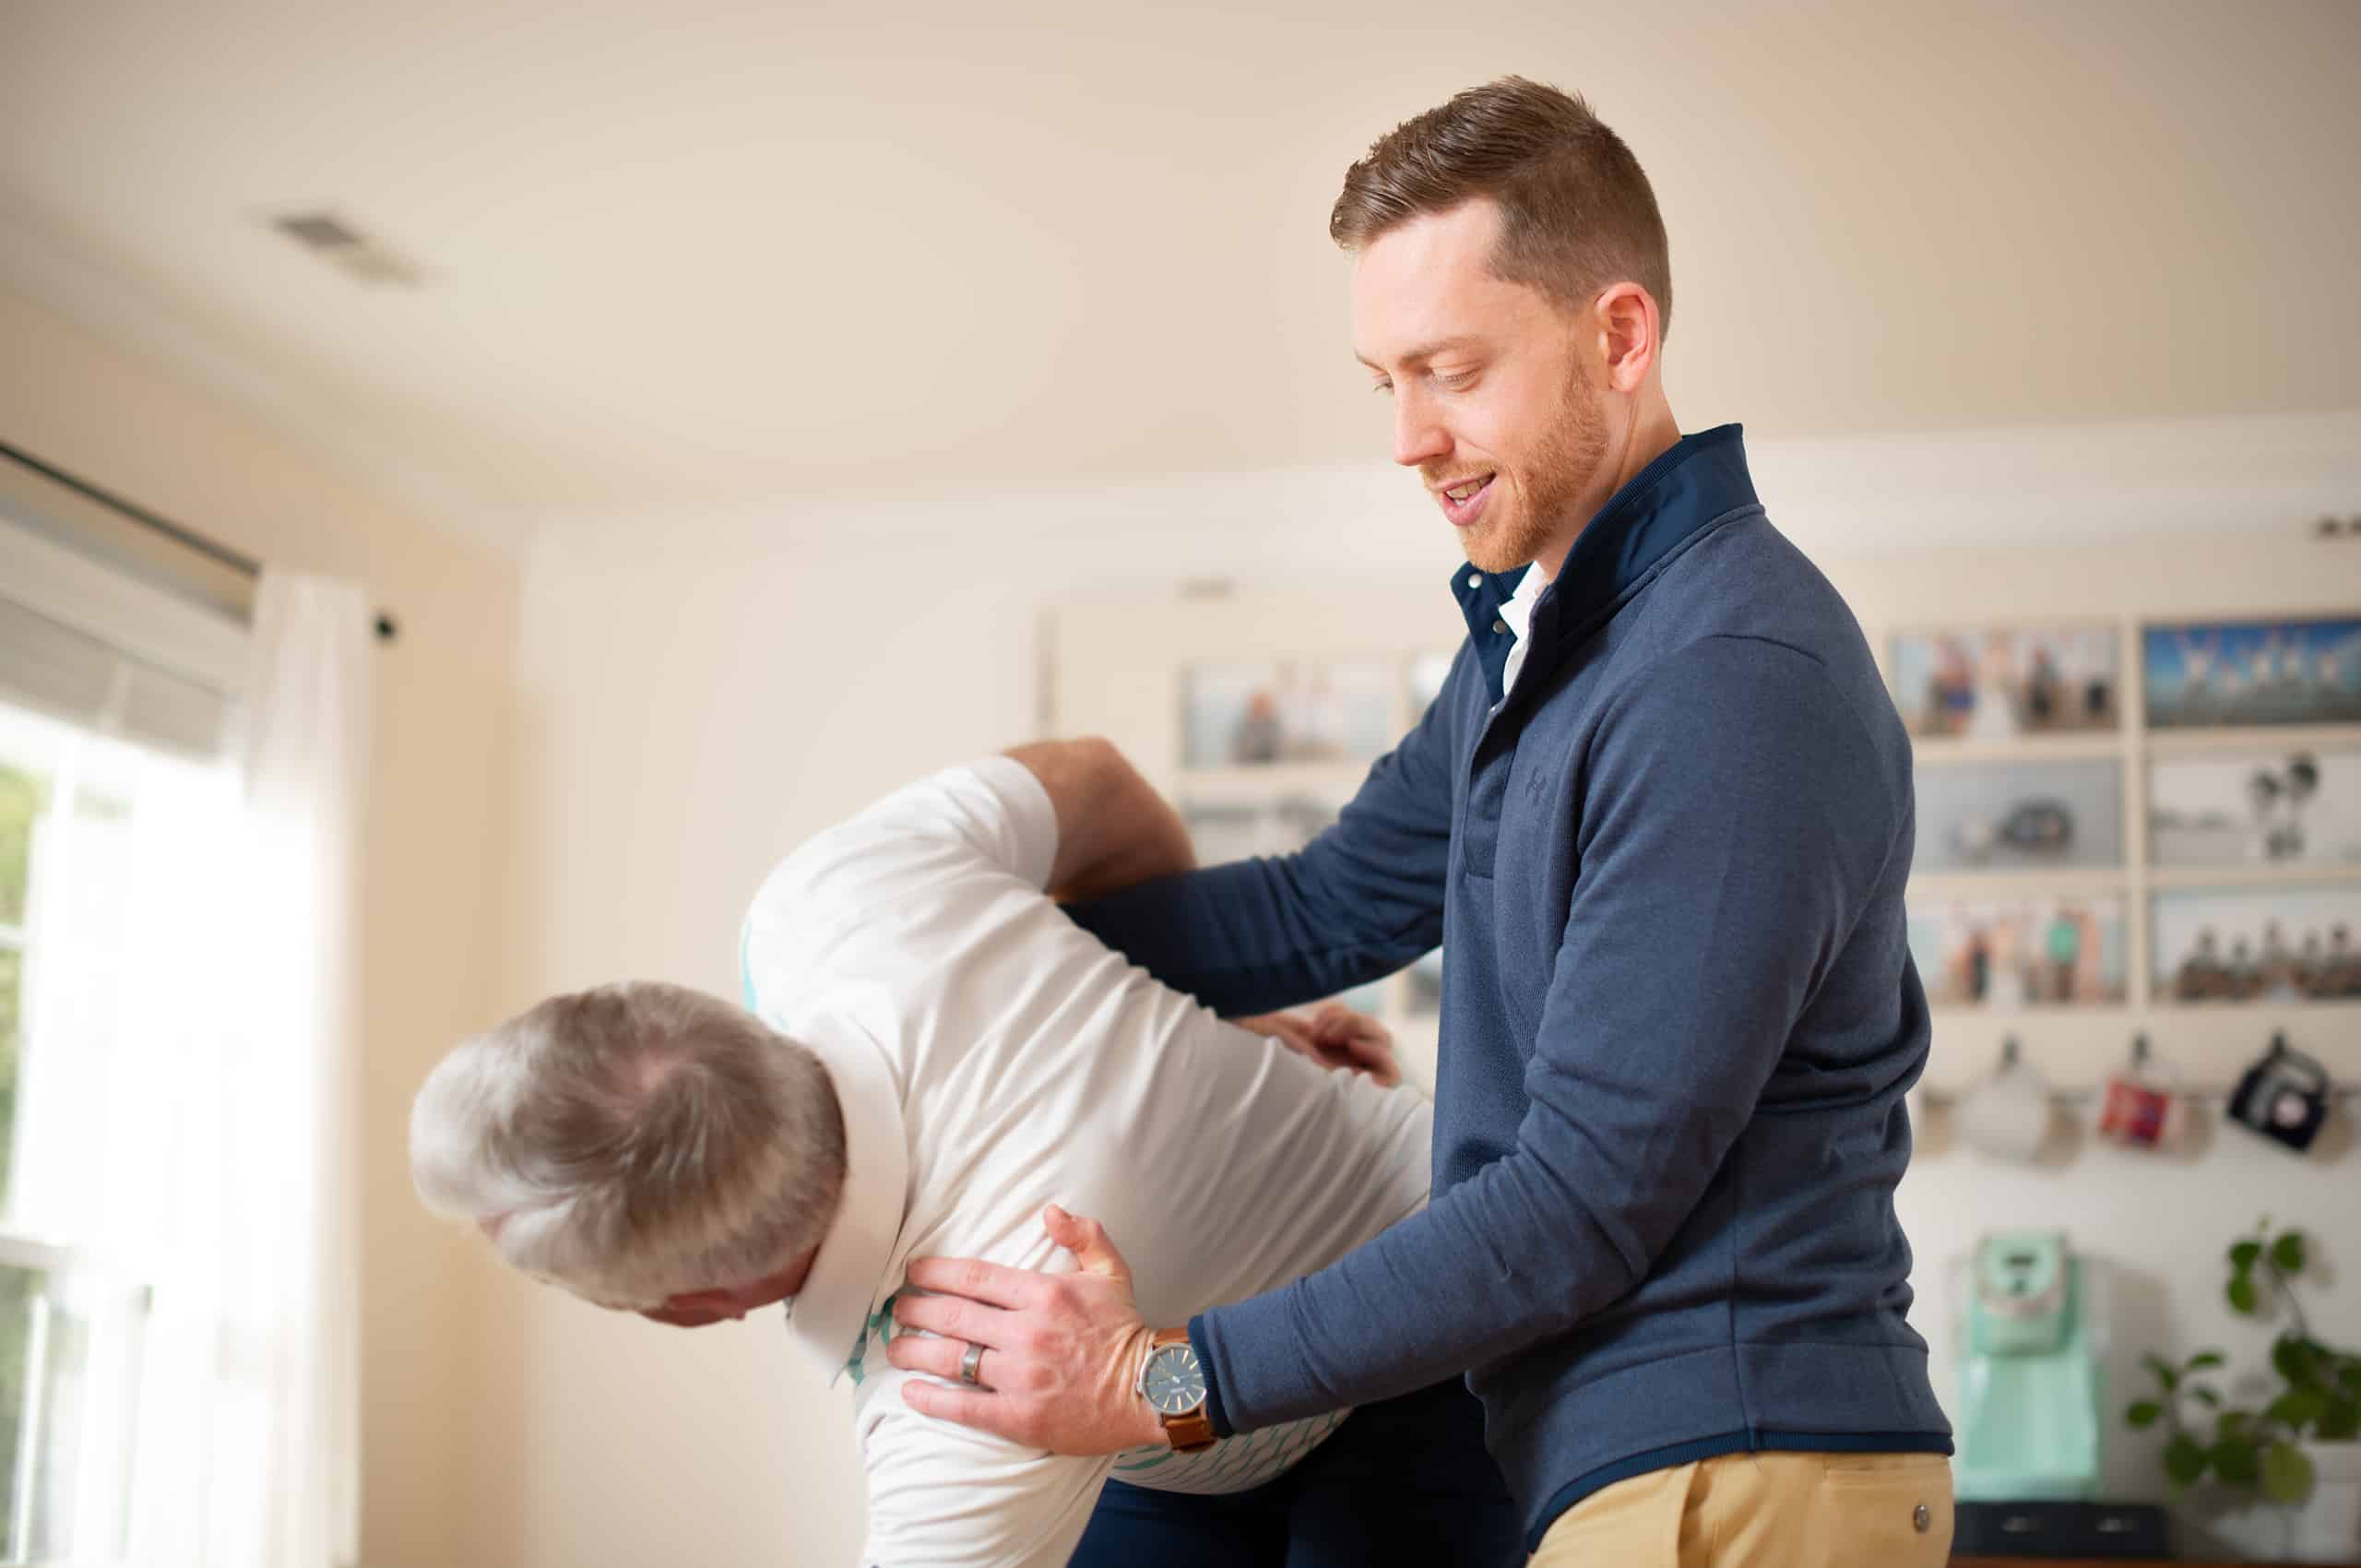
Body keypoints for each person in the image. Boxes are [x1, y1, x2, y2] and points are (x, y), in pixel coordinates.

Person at [888, 78, 1955, 1567]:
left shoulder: (1725, 680)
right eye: (1382, 379)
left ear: (1620, 337)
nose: (1407, 438)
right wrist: (967, 952)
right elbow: (1319, 909)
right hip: (1643, 1471)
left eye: (1450, 371)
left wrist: (1156, 1379)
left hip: (1734, 1473)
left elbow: (1575, 1205)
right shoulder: (1552, 651)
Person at [409, 738, 1519, 1568]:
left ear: (688, 1302)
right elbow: (1093, 781)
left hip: (1434, 1329)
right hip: (1159, 1441)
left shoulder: (957, 1415)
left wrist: (1174, 1013)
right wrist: (1193, 1010)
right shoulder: (832, 901)